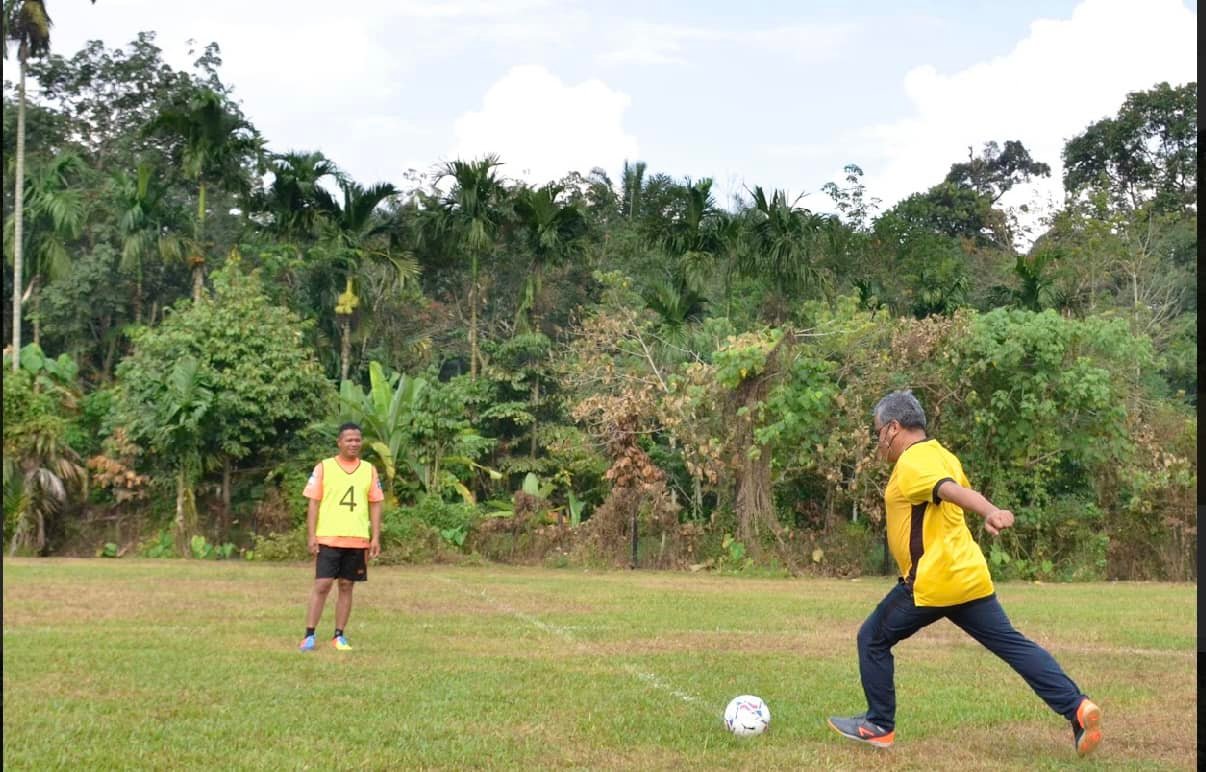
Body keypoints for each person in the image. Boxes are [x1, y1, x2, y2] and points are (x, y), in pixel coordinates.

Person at [826, 390, 1101, 757]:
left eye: (878, 432)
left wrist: (990, 511)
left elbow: (949, 491)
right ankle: (1078, 708)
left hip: (932, 582)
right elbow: (952, 491)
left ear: (894, 428)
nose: (878, 441)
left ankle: (878, 725)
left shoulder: (913, 461)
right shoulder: (943, 454)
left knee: (871, 638)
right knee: (1014, 646)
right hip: (968, 577)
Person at [298, 422, 383, 651]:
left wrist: (375, 537)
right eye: (349, 440)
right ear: (339, 442)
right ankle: (309, 635)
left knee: (347, 585)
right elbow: (313, 503)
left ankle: (339, 635)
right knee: (322, 584)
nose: (354, 444)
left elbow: (375, 504)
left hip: (357, 539)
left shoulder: (369, 469)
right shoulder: (324, 467)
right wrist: (312, 535)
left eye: (357, 440)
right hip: (328, 538)